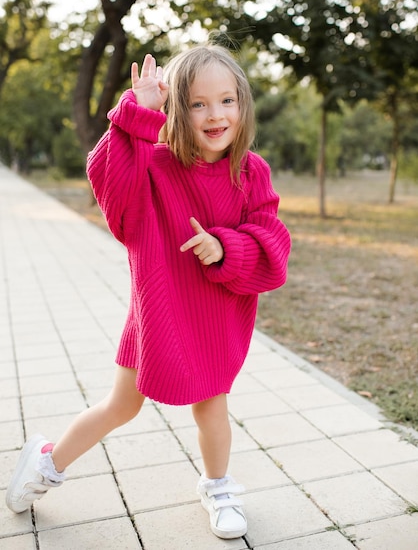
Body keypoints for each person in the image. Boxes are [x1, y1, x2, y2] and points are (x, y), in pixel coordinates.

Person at [6, 44, 291, 540]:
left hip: (216, 318)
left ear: (243, 105)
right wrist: (136, 112)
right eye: (199, 103)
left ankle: (218, 485)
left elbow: (272, 240)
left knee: (212, 406)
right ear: (177, 109)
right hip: (157, 312)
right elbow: (111, 185)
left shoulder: (251, 173)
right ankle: (47, 462)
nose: (215, 114)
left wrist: (225, 248)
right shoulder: (155, 165)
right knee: (121, 405)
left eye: (227, 100)